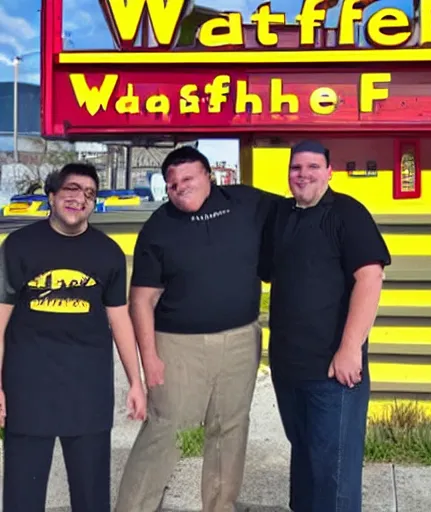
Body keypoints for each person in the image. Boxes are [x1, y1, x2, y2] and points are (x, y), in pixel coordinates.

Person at [115, 146, 276, 512]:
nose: (179, 187)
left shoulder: (248, 203)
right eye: (172, 183)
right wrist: (150, 358)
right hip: (176, 345)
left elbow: (298, 214)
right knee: (164, 428)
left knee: (230, 429)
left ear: (209, 176)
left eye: (187, 178)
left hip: (240, 339)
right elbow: (140, 300)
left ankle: (220, 506)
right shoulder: (159, 227)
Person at [0, 163, 147, 512]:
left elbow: (120, 320)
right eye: (71, 189)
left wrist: (135, 382)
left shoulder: (107, 252)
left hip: (88, 391)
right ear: (51, 195)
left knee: (92, 495)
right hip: (28, 388)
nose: (79, 198)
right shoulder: (18, 246)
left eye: (89, 193)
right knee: (22, 493)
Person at [262, 140, 391, 512]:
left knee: (333, 475)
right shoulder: (282, 217)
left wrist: (350, 349)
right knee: (304, 462)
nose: (303, 174)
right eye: (296, 167)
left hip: (333, 372)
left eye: (313, 166)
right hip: (289, 370)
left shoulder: (347, 213)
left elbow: (370, 277)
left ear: (329, 171)